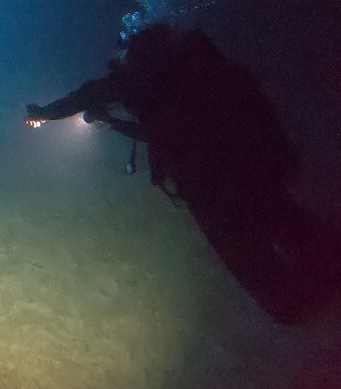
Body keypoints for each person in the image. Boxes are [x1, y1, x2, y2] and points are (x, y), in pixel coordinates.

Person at [25, 23, 340, 323]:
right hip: (247, 158)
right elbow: (166, 127)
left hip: (202, 175)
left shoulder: (140, 75)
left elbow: (89, 95)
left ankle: (293, 305)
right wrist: (112, 122)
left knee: (241, 246)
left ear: (136, 51)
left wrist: (43, 113)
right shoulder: (203, 69)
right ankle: (329, 263)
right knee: (278, 213)